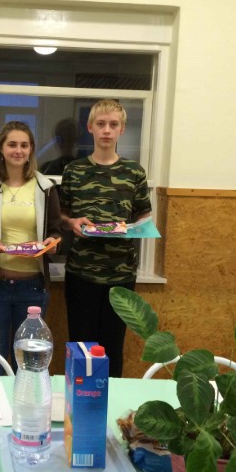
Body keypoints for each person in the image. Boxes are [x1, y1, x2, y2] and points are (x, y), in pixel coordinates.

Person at [60, 99, 151, 378]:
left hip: (120, 275)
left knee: (112, 348)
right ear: (90, 128)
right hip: (81, 273)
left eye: (113, 124)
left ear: (122, 129)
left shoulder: (134, 172)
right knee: (81, 348)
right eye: (101, 124)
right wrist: (72, 222)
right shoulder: (74, 170)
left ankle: (110, 400)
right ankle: (79, 401)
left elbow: (144, 216)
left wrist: (132, 228)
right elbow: (61, 215)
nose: (107, 130)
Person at [0, 121, 61, 375]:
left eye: (24, 145)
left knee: (30, 363)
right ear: (1, 149)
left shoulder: (45, 188)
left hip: (33, 288)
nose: (18, 150)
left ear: (31, 150)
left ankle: (25, 403)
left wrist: (52, 243)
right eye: (12, 145)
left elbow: (56, 231)